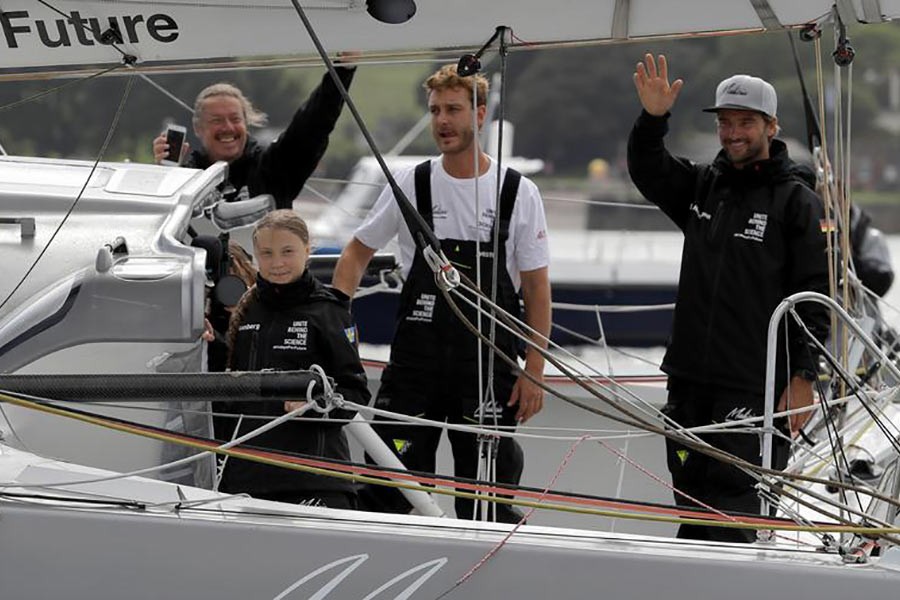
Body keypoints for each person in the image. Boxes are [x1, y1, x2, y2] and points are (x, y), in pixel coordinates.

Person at [331, 64, 551, 523]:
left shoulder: (518, 192)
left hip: (489, 366)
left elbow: (535, 286)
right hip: (416, 363)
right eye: (434, 111)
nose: (442, 121)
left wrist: (534, 369)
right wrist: (335, 324)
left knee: (486, 502)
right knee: (391, 489)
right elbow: (356, 252)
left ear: (480, 115)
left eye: (453, 110)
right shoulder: (413, 182)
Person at [628, 54, 830, 542]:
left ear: (770, 125)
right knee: (692, 510)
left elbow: (814, 298)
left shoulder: (797, 202)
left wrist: (804, 377)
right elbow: (648, 170)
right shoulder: (703, 186)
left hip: (751, 389)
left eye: (745, 122)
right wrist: (653, 119)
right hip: (689, 382)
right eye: (725, 123)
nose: (733, 133)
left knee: (736, 519)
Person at [220, 209, 370, 509]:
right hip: (246, 477)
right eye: (267, 253)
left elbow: (356, 393)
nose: (277, 263)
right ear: (256, 256)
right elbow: (227, 390)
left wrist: (313, 407)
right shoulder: (245, 313)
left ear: (307, 249)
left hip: (314, 477)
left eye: (287, 251)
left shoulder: (329, 313)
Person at [153, 62, 356, 209]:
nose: (228, 127)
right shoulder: (186, 177)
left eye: (235, 119)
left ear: (246, 123)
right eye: (216, 120)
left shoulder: (275, 167)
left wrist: (343, 69)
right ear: (198, 128)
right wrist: (167, 175)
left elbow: (313, 123)